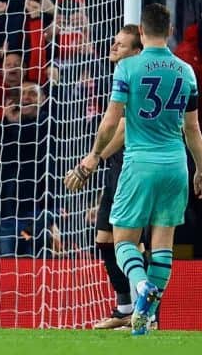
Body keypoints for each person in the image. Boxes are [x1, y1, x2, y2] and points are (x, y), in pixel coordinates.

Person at [65, 3, 202, 335]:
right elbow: (193, 128)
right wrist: (200, 169)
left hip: (139, 163)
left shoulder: (128, 69)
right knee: (162, 245)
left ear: (141, 31)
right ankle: (144, 321)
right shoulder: (186, 71)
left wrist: (93, 155)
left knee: (123, 240)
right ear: (169, 31)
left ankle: (140, 287)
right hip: (176, 165)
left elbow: (113, 120)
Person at [91, 25, 143, 329]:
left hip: (132, 168)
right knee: (104, 239)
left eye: (121, 45)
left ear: (137, 51)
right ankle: (124, 307)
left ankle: (144, 311)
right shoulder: (114, 75)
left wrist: (91, 161)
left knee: (135, 243)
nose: (114, 48)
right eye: (114, 43)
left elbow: (121, 127)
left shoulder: (133, 78)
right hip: (116, 170)